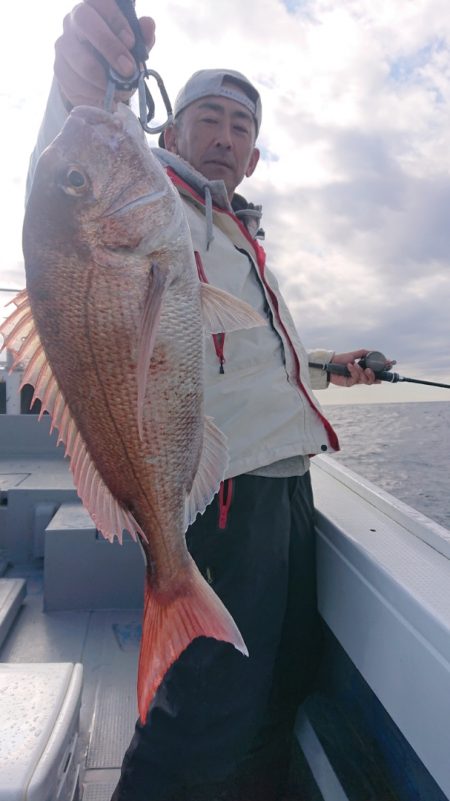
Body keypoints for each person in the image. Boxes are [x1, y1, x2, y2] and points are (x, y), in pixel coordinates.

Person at [28, 3, 390, 799]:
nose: (225, 136)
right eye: (208, 120)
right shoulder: (157, 209)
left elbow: (252, 354)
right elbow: (66, 194)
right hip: (223, 493)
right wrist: (83, 89)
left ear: (254, 156)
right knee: (204, 719)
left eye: (240, 128)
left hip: (286, 486)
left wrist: (332, 365)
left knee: (274, 687)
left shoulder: (234, 233)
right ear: (170, 136)